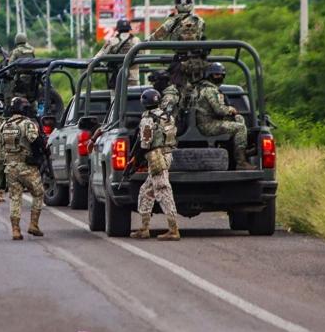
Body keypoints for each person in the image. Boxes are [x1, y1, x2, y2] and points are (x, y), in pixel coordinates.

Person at [131, 88, 181, 241]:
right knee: (146, 191)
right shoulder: (167, 116)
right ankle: (144, 228)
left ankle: (173, 230)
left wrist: (136, 157)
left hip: (156, 157)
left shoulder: (147, 120)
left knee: (163, 190)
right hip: (167, 154)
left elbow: (145, 143)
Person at [0, 96, 45, 239]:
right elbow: (34, 140)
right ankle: (33, 224)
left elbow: (1, 145)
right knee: (38, 193)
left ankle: (15, 230)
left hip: (10, 168)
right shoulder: (27, 124)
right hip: (27, 167)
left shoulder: (4, 125)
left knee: (15, 198)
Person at [193, 63, 255, 170]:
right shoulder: (209, 90)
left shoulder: (207, 88)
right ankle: (241, 162)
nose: (219, 77)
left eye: (221, 75)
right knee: (240, 127)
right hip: (207, 125)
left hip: (210, 121)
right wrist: (230, 109)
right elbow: (219, 110)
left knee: (239, 119)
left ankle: (242, 150)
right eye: (216, 75)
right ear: (209, 75)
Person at [151, 0, 207, 90]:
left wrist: (145, 42)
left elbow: (155, 37)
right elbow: (201, 35)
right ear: (191, 5)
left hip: (180, 61)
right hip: (198, 60)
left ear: (177, 6)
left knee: (174, 88)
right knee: (202, 87)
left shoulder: (171, 21)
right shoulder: (200, 21)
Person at [95, 18, 140, 86]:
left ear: (118, 30)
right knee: (133, 95)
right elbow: (142, 54)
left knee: (116, 95)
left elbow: (100, 54)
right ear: (129, 29)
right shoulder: (137, 41)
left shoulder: (112, 41)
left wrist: (93, 62)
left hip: (117, 77)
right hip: (133, 77)